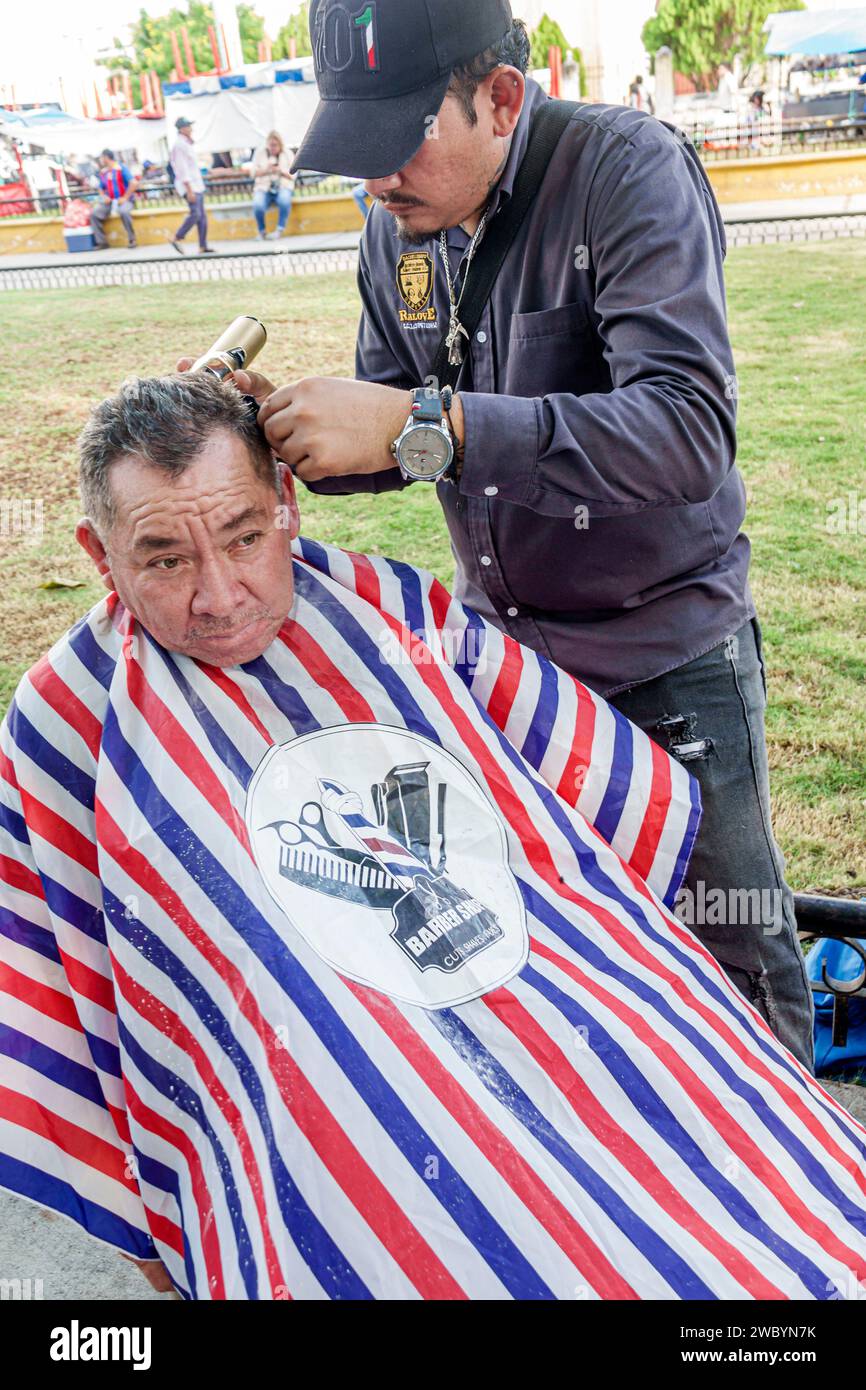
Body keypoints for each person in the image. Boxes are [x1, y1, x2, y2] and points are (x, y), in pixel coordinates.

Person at [2, 369, 865, 1299]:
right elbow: (73, 994)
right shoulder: (65, 719)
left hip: (533, 984)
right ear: (98, 554)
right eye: (164, 559)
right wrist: (161, 1228)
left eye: (247, 537)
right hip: (325, 1093)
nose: (220, 596)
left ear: (287, 505)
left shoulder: (383, 612)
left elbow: (587, 796)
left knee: (728, 1178)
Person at [238, 0, 815, 1068]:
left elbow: (683, 433)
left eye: (395, 142)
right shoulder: (398, 223)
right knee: (555, 939)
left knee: (732, 952)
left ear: (500, 97)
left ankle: (801, 1209)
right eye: (353, 152)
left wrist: (425, 424)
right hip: (500, 667)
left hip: (662, 656)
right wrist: (287, 438)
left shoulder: (625, 172)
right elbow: (406, 431)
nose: (373, 184)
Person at [169, 116, 214, 255]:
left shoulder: (186, 144)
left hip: (196, 185)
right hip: (190, 186)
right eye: (188, 126)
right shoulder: (179, 145)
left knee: (202, 216)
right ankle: (176, 237)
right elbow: (182, 169)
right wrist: (189, 190)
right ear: (182, 129)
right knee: (196, 214)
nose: (191, 129)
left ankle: (203, 245)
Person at [92, 149, 139, 250]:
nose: (101, 160)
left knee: (124, 212)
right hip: (110, 202)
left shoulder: (121, 168)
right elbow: (100, 188)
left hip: (124, 200)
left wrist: (125, 197)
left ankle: (132, 239)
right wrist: (104, 196)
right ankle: (102, 242)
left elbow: (134, 183)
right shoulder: (104, 172)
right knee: (94, 214)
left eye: (102, 158)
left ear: (106, 157)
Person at [251, 130, 295, 239]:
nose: (272, 148)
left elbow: (293, 176)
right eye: (270, 145)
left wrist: (281, 171)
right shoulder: (260, 153)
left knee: (284, 201)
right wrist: (267, 170)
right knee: (258, 205)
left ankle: (279, 230)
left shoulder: (288, 154)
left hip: (283, 186)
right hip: (263, 187)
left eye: (275, 145)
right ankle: (262, 232)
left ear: (280, 144)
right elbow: (252, 173)